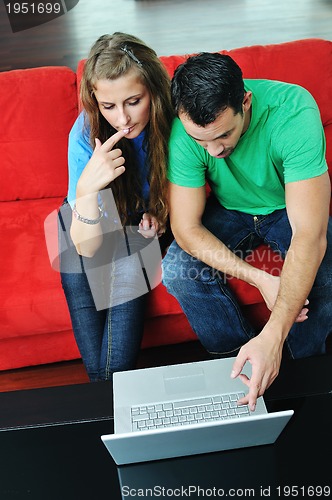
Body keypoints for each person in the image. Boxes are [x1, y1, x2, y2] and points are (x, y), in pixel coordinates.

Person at [162, 52, 332, 411]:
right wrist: (260, 279)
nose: (214, 150)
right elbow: (185, 226)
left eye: (223, 135)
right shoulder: (183, 131)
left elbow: (309, 234)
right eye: (201, 141)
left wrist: (274, 333)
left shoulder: (293, 111)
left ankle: (300, 366)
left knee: (325, 271)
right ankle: (238, 365)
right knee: (178, 272)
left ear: (245, 101)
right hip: (230, 211)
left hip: (286, 206)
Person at [59, 32, 174, 382]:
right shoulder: (82, 136)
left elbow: (194, 193)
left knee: (114, 363)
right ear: (95, 101)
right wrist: (88, 188)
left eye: (133, 101)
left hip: (137, 224)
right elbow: (86, 247)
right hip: (86, 217)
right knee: (81, 291)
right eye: (108, 106)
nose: (122, 119)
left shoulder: (174, 123)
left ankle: (107, 408)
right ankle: (111, 412)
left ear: (153, 89)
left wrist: (163, 218)